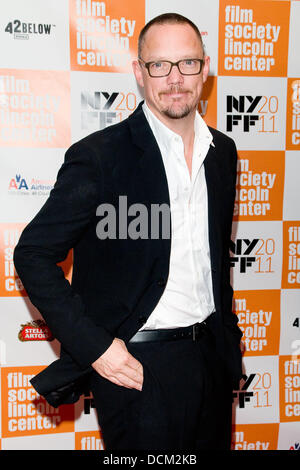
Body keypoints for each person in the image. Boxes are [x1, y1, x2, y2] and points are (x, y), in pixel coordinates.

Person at [13, 13, 243, 450]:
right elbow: (33, 254)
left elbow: (213, 256)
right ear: (139, 72)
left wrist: (227, 343)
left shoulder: (223, 153)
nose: (175, 78)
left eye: (187, 63)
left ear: (205, 68)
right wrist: (98, 349)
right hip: (138, 369)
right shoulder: (101, 157)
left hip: (212, 361)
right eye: (160, 65)